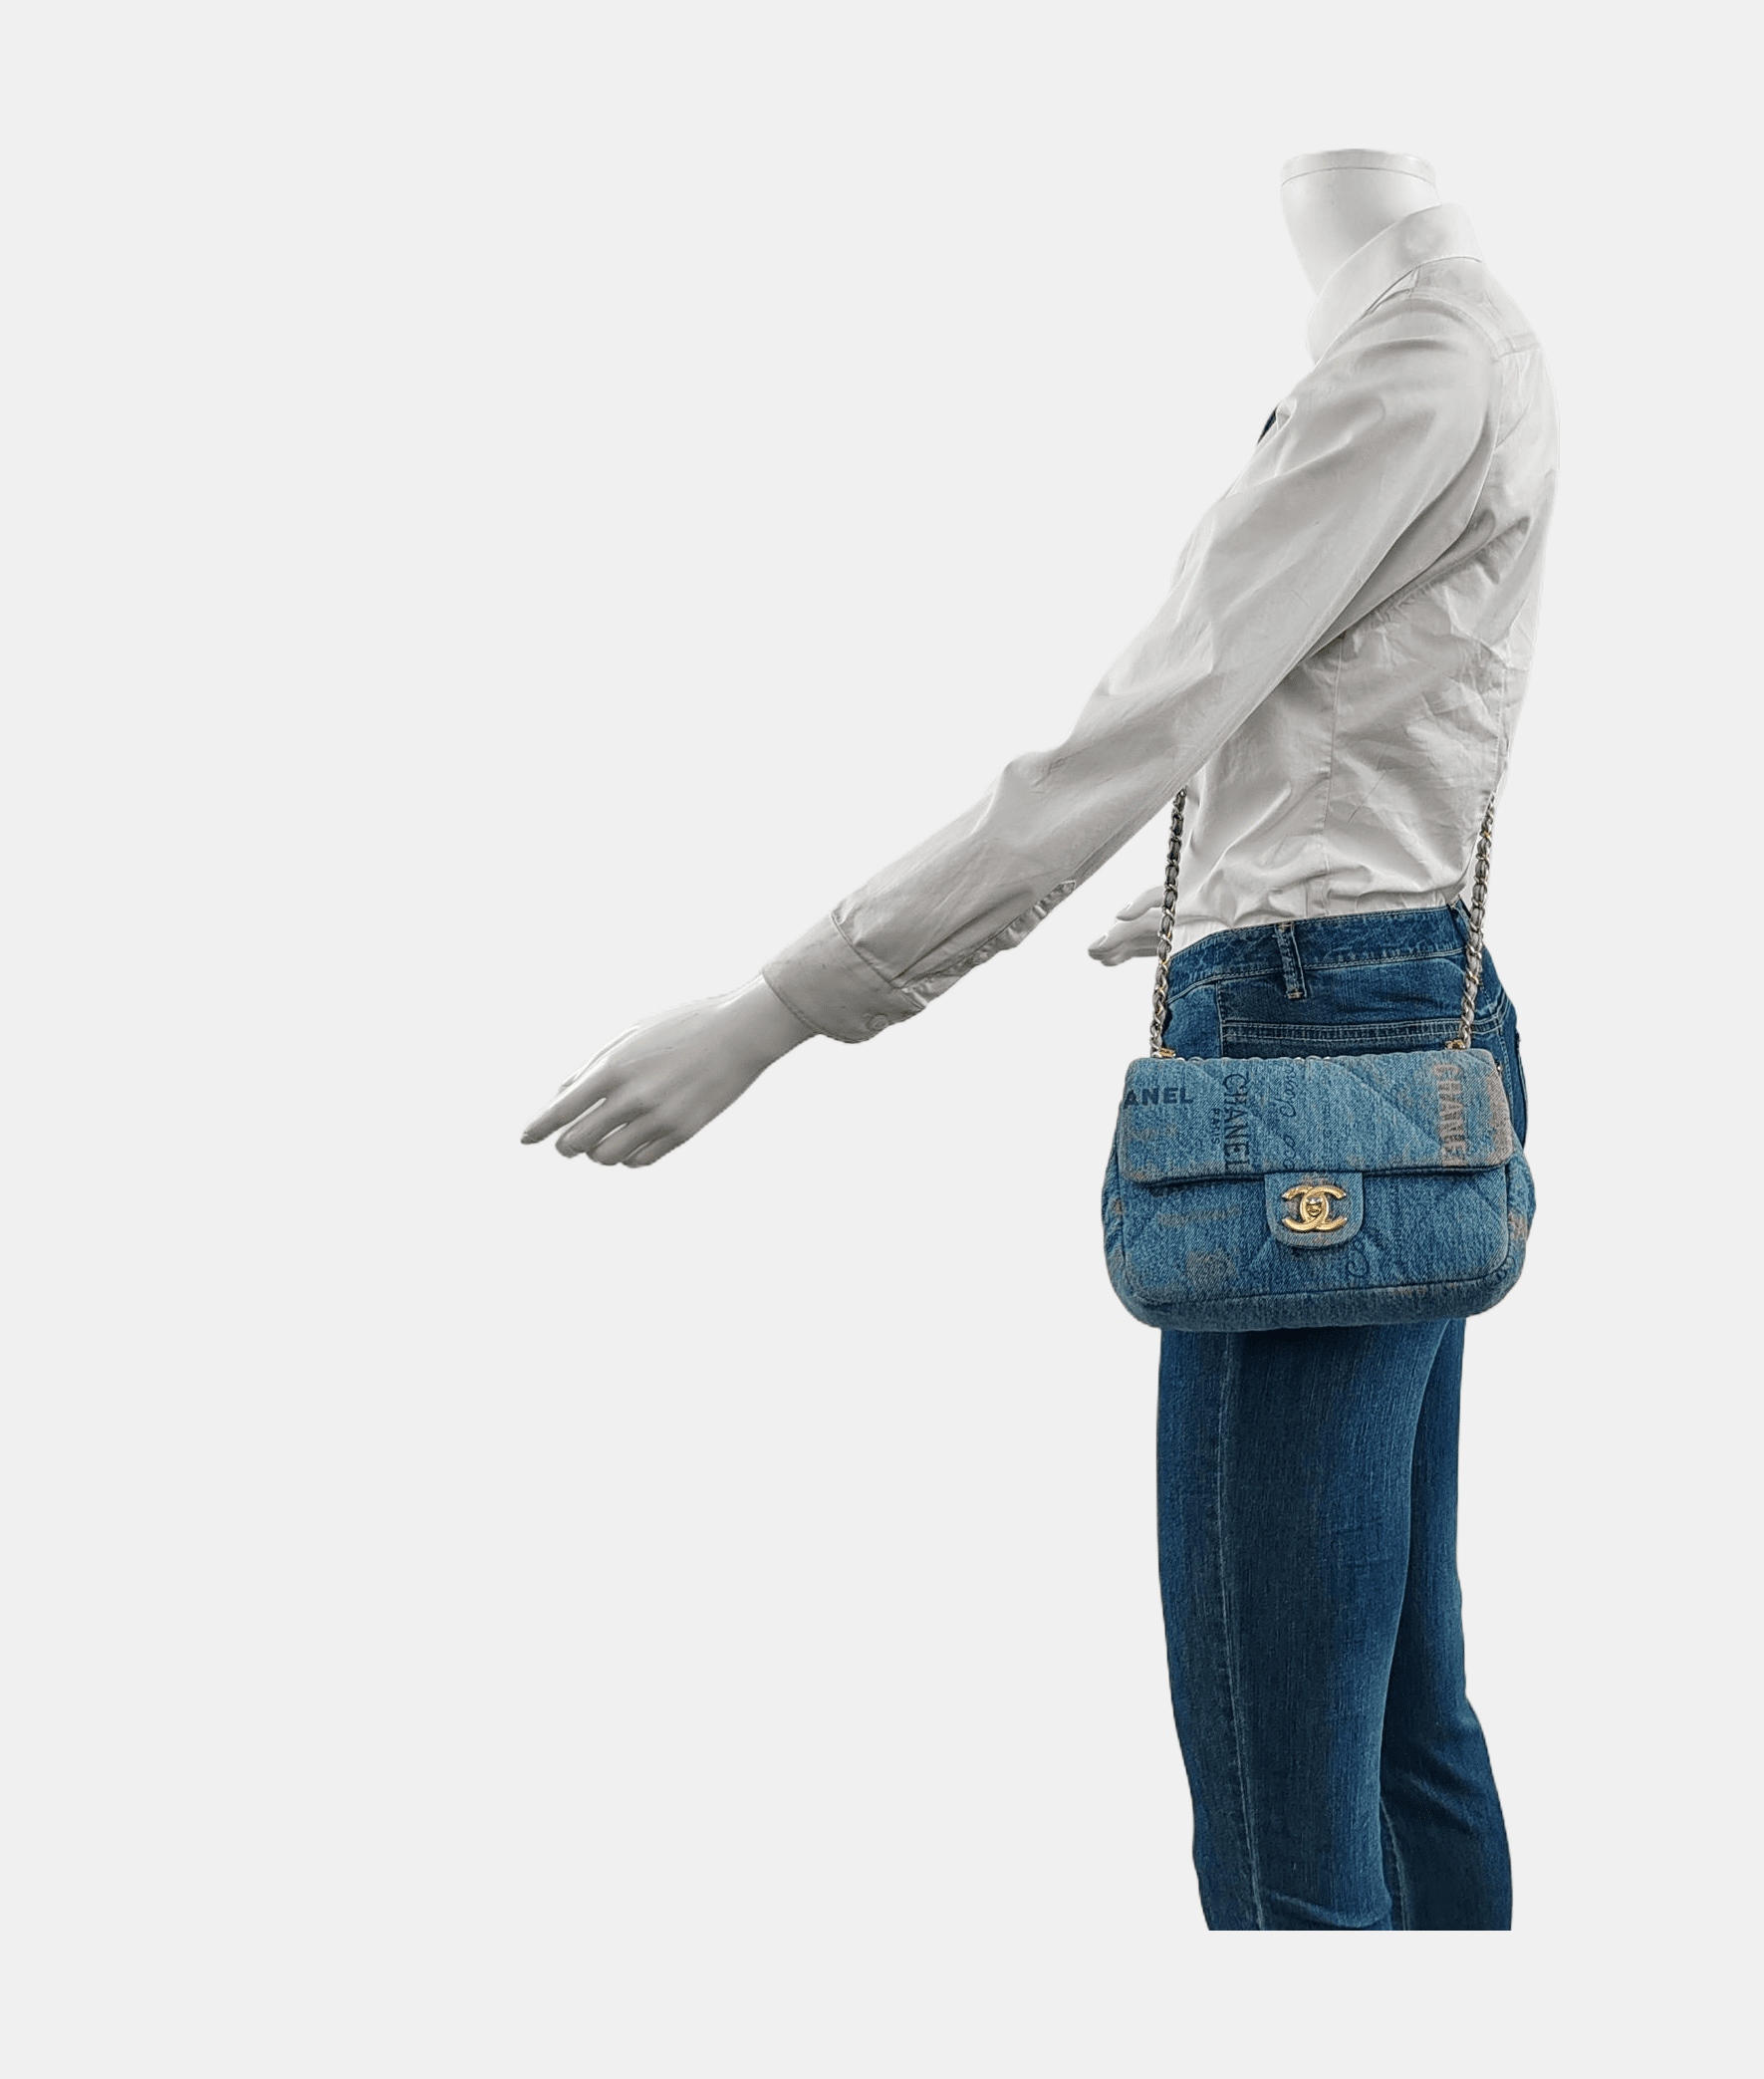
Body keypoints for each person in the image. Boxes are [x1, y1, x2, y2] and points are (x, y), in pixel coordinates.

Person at [521, 148, 1559, 1930]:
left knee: (1282, 1776)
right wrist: (1234, 883)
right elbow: (1404, 685)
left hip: (1312, 1046)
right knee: (1396, 1722)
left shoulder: (1404, 358)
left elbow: (1141, 726)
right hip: (1402, 1010)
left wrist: (783, 1004)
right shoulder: (1474, 335)